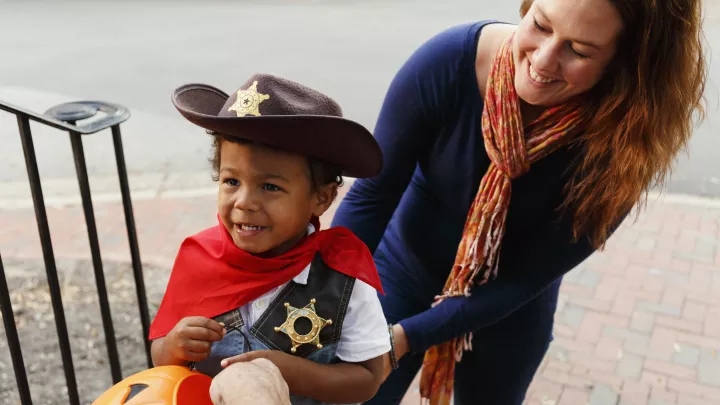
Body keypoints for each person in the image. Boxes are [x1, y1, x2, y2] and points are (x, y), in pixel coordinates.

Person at [331, 0, 707, 404]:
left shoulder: (627, 142)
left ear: (628, 62)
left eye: (579, 51)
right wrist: (323, 294)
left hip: (510, 307)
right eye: (541, 25)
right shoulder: (449, 62)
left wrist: (406, 338)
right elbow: (373, 195)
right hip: (402, 271)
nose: (544, 60)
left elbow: (527, 278)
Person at [148, 74, 390, 405]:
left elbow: (369, 378)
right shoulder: (199, 258)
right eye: (231, 181)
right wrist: (173, 347)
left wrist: (286, 371)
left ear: (320, 198)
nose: (244, 202)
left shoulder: (342, 275)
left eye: (270, 187)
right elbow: (160, 356)